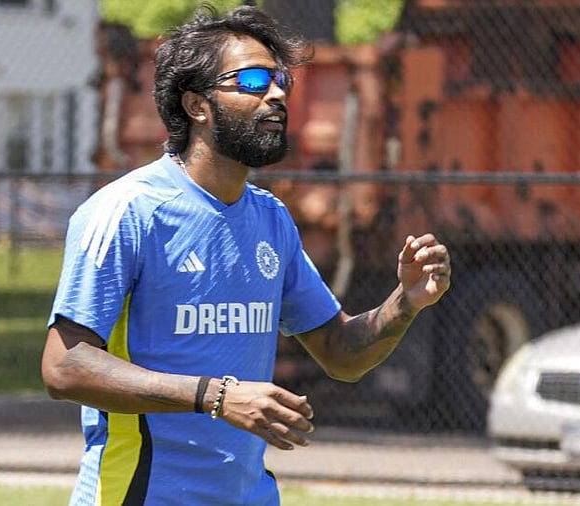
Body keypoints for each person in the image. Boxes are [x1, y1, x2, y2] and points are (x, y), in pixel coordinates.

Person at [41, 5, 451, 505]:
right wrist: (216, 396)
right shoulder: (127, 212)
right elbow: (65, 367)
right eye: (254, 80)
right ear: (197, 105)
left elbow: (342, 353)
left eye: (281, 81)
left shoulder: (270, 218)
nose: (277, 94)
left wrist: (405, 301)